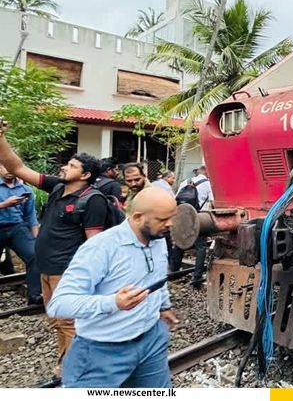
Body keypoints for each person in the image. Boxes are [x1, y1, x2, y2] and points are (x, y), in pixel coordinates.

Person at [0, 120, 107, 378]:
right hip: (46, 268)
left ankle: (74, 371)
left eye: (71, 165)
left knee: (69, 322)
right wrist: (0, 136)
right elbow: (17, 167)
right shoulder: (57, 187)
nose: (64, 167)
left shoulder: (92, 201)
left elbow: (94, 244)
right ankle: (66, 363)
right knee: (56, 319)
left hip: (66, 271)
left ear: (85, 175)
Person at [48, 188, 179, 388]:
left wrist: (164, 305)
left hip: (151, 340)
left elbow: (157, 277)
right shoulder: (101, 248)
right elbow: (59, 304)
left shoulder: (157, 238)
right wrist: (113, 302)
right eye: (163, 219)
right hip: (102, 351)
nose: (170, 224)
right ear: (137, 217)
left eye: (172, 217)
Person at [0, 164, 42, 304]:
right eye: (5, 167)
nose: (8, 170)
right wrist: (4, 204)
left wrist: (36, 238)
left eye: (10, 166)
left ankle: (34, 295)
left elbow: (31, 216)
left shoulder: (25, 190)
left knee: (34, 254)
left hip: (17, 228)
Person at [176, 165, 214, 288]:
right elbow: (213, 202)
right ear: (207, 172)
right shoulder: (208, 184)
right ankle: (197, 279)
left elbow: (176, 199)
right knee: (200, 247)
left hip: (183, 217)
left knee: (180, 244)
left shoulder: (185, 182)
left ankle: (175, 274)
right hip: (199, 218)